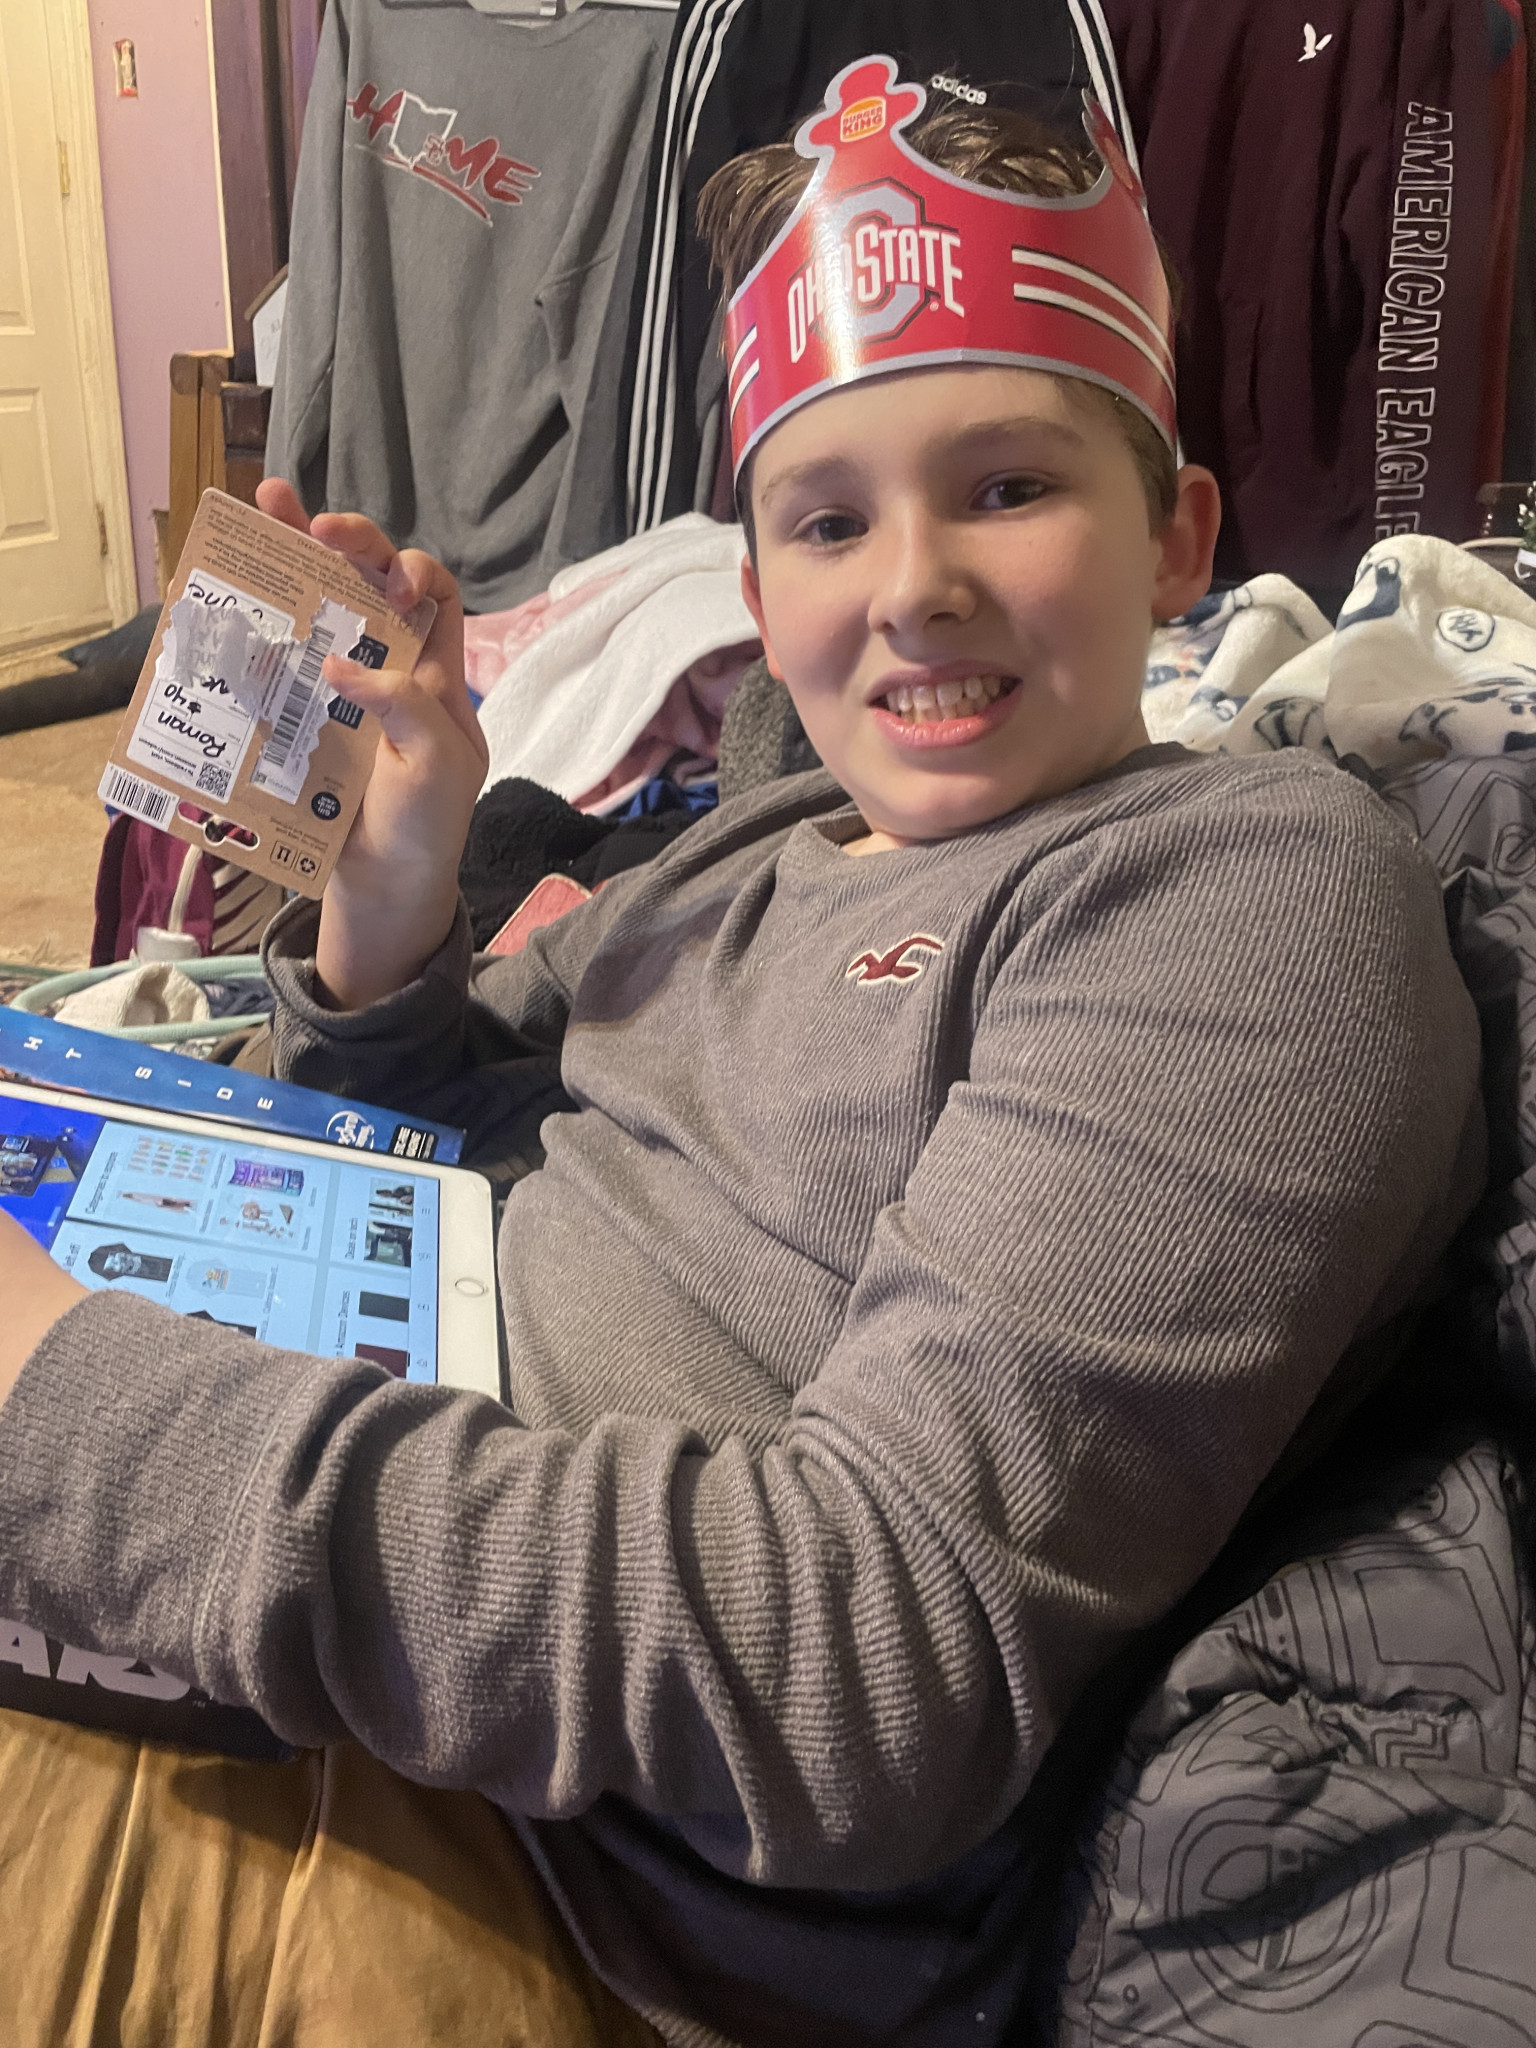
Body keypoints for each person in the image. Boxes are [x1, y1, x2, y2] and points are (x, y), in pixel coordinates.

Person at [0, 57, 1484, 2048]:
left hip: (534, 1869)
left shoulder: (1239, 887)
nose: (915, 588)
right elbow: (413, 1155)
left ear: (1178, 537)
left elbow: (863, 1674)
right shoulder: (762, 842)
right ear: (761, 591)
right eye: (829, 520)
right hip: (298, 1587)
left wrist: (56, 1404)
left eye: (1011, 487)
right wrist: (399, 893)